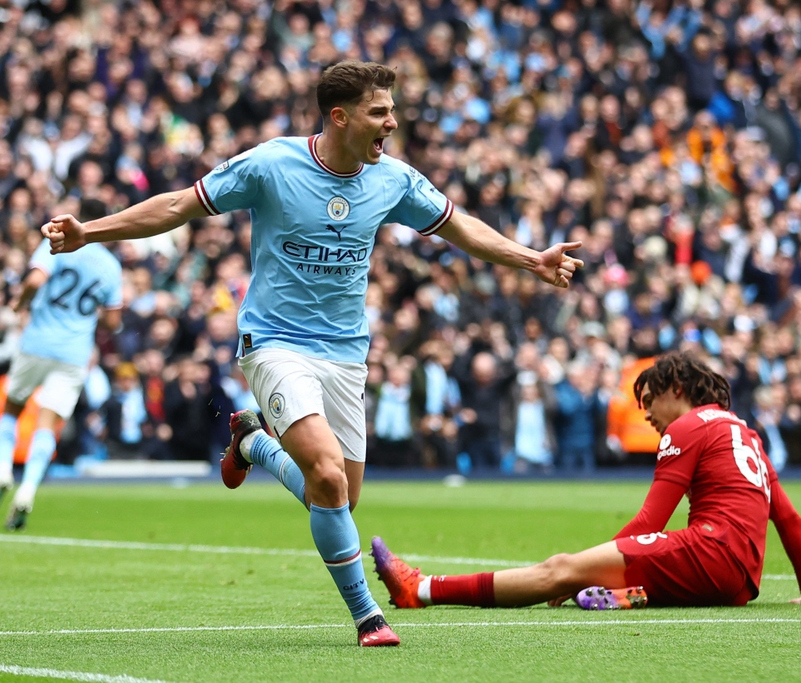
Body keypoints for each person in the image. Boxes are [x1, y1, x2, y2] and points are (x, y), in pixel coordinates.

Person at [40, 60, 584, 647]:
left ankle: (253, 444)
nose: (392, 123)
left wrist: (532, 259)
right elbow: (176, 206)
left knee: (340, 499)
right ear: (339, 116)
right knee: (324, 474)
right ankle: (368, 616)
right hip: (275, 343)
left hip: (347, 355)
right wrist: (90, 232)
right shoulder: (272, 164)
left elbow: (461, 227)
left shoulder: (393, 179)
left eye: (392, 112)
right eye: (380, 113)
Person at [371, 351, 801, 610]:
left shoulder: (688, 427)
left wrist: (581, 568)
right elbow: (789, 519)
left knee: (559, 568)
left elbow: (652, 518)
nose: (645, 413)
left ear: (677, 391)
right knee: (616, 570)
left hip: (709, 552)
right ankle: (622, 596)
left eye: (649, 400)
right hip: (740, 585)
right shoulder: (744, 432)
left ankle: (421, 588)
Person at [0, 199, 122, 531]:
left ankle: (2, 472)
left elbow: (33, 281)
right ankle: (28, 489)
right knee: (48, 422)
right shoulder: (111, 266)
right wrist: (85, 317)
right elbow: (113, 321)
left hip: (37, 344)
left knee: (13, 409)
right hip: (74, 352)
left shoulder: (58, 244)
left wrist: (18, 304)